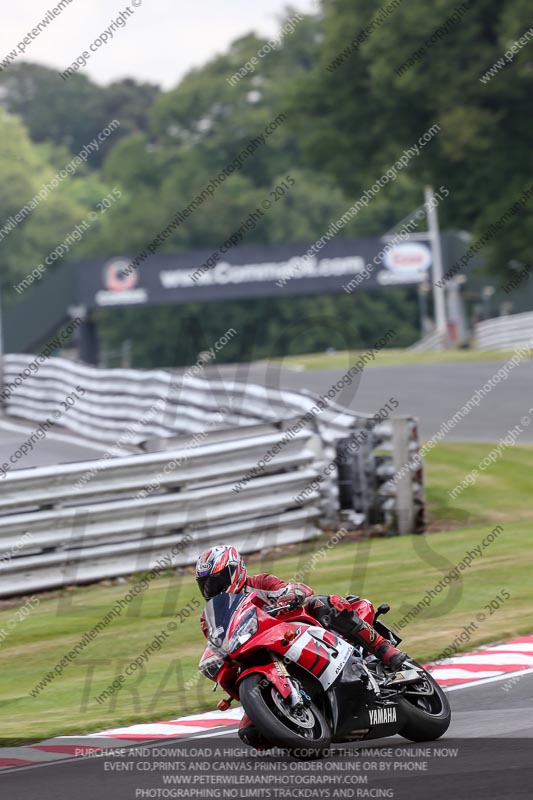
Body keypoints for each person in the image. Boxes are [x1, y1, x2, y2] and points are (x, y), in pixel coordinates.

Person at [195, 545, 406, 748]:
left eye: (216, 581)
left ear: (235, 571)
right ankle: (303, 722)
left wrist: (292, 594)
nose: (211, 589)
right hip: (255, 654)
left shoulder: (260, 583)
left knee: (323, 604)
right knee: (250, 734)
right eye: (205, 584)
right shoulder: (210, 617)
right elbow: (217, 642)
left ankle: (384, 649)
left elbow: (294, 589)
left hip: (292, 633)